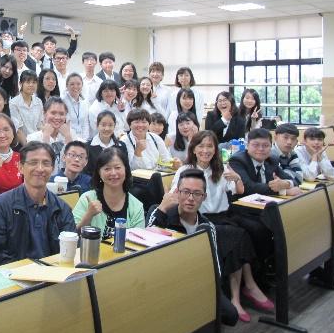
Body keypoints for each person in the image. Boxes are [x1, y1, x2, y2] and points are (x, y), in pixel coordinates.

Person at [167, 132, 272, 322]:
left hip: (223, 217)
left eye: (210, 146)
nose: (205, 150)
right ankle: (242, 293)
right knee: (237, 236)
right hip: (202, 220)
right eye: (201, 146)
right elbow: (176, 197)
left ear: (216, 149)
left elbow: (239, 191)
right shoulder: (186, 170)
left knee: (242, 234)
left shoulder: (221, 168)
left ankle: (241, 292)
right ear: (193, 149)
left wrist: (237, 178)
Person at [0, 142, 76, 265]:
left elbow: (69, 249)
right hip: (15, 273)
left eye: (46, 163)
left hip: (54, 272)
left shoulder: (62, 208)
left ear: (52, 168)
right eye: (33, 163)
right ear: (20, 167)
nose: (40, 169)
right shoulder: (1, 205)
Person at [73, 147, 144, 237]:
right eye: (107, 169)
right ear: (99, 173)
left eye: (117, 167)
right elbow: (73, 234)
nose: (113, 173)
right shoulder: (87, 199)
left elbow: (140, 240)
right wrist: (89, 215)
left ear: (126, 170)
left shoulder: (136, 206)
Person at [228, 128, 300, 196]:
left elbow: (295, 181)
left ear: (271, 147)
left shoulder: (271, 160)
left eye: (265, 145)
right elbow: (248, 187)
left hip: (265, 201)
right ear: (247, 146)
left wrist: (286, 184)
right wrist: (283, 191)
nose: (261, 149)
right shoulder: (237, 161)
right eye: (256, 145)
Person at [26, 97, 79, 170]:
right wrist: (46, 137)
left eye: (61, 114)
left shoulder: (71, 134)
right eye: (53, 113)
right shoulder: (33, 138)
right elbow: (40, 164)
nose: (57, 117)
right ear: (44, 114)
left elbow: (75, 162)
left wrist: (68, 137)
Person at [86, 110, 130, 175]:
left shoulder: (121, 146)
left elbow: (126, 170)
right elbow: (86, 173)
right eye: (103, 125)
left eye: (110, 125)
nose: (107, 128)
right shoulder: (87, 147)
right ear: (97, 125)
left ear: (114, 126)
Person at [9, 70, 43, 136]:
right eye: (28, 82)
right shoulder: (13, 103)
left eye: (34, 82)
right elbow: (18, 130)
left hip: (38, 138)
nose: (31, 85)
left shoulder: (38, 101)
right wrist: (28, 142)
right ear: (20, 84)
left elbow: (39, 125)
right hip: (22, 140)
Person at [63, 73, 90, 141]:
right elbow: (63, 125)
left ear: (82, 85)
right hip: (68, 139)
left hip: (83, 140)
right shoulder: (62, 102)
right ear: (67, 86)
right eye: (72, 84)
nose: (75, 86)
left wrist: (84, 140)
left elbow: (85, 123)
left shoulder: (85, 102)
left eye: (78, 84)